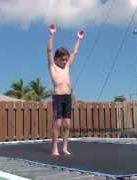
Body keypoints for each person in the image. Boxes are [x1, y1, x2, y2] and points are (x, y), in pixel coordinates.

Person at [47, 24, 84, 156]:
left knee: (67, 124)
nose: (65, 61)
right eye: (62, 59)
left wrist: (78, 39)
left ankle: (64, 147)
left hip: (68, 97)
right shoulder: (52, 66)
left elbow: (74, 52)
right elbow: (49, 51)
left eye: (66, 59)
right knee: (57, 123)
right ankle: (55, 148)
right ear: (56, 59)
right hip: (58, 97)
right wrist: (51, 35)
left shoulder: (67, 67)